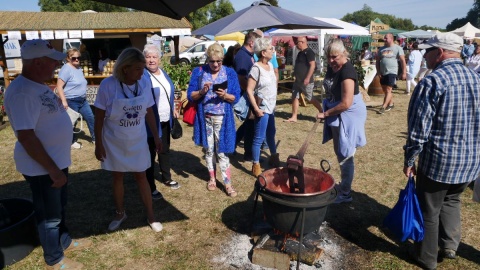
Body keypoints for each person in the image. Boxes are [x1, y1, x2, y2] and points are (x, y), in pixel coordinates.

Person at [4, 39, 92, 269]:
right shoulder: (22, 92)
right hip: (42, 166)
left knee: (58, 206)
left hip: (55, 161)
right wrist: (53, 170)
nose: (56, 66)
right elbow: (26, 137)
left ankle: (64, 241)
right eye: (52, 61)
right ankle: (54, 259)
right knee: (48, 216)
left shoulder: (38, 84)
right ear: (37, 62)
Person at [403, 33, 480, 270]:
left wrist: (410, 158)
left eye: (428, 51)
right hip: (470, 162)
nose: (424, 56)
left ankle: (427, 258)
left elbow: (418, 129)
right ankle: (450, 245)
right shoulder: (476, 79)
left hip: (439, 162)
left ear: (441, 52)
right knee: (453, 199)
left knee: (430, 209)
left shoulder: (432, 81)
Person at [94, 47, 163, 232]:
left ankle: (151, 215)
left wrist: (156, 136)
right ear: (125, 68)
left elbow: (149, 111)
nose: (142, 72)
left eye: (142, 68)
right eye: (138, 69)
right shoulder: (108, 85)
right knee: (117, 176)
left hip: (137, 139)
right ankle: (120, 212)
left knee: (141, 176)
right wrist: (98, 144)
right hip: (114, 140)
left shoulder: (144, 83)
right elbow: (99, 116)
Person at [317, 38, 367, 204]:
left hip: (348, 113)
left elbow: (346, 103)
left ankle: (345, 193)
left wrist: (326, 113)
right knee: (340, 151)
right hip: (337, 111)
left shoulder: (347, 72)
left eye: (335, 57)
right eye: (329, 57)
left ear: (344, 54)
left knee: (346, 154)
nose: (331, 61)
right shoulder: (333, 68)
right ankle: (344, 185)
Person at [187, 43, 241, 197]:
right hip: (205, 118)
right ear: (207, 60)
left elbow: (236, 96)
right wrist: (202, 91)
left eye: (219, 61)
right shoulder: (199, 72)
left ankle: (227, 183)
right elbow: (191, 95)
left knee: (222, 151)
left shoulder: (229, 73)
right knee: (209, 150)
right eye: (212, 61)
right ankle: (212, 178)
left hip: (223, 118)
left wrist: (225, 96)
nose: (215, 64)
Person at [143, 44, 181, 201]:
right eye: (148, 57)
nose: (152, 60)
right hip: (150, 121)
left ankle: (166, 177)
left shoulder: (163, 73)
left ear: (159, 59)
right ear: (144, 59)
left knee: (165, 150)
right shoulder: (143, 76)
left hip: (166, 118)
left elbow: (169, 92)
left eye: (154, 57)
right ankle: (150, 186)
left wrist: (173, 108)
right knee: (150, 154)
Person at [246, 38, 280, 177]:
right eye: (270, 49)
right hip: (263, 106)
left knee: (271, 133)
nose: (273, 51)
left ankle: (273, 157)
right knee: (259, 137)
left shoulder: (271, 66)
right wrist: (256, 109)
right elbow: (249, 90)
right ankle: (256, 164)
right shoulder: (256, 68)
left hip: (271, 106)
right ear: (263, 52)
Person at [56, 48, 96, 149]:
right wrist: (64, 101)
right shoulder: (66, 69)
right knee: (72, 122)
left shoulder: (78, 68)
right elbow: (59, 86)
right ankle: (71, 141)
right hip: (71, 100)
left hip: (82, 100)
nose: (77, 60)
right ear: (68, 58)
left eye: (78, 57)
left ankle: (96, 138)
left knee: (91, 118)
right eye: (74, 58)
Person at [234, 31, 262, 161]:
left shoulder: (248, 55)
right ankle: (248, 153)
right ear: (251, 43)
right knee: (250, 123)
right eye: (257, 43)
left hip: (248, 94)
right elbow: (240, 78)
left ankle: (233, 145)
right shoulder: (242, 56)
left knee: (249, 123)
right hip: (245, 94)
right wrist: (249, 93)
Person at [285, 36, 323, 122]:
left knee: (310, 98)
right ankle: (294, 116)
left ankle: (322, 111)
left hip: (306, 81)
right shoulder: (300, 53)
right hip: (298, 81)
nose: (296, 44)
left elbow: (312, 65)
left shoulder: (309, 52)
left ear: (302, 42)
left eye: (297, 42)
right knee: (295, 96)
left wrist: (307, 78)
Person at [375, 33, 406, 114]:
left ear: (391, 39)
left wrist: (404, 72)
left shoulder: (398, 48)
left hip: (392, 71)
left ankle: (383, 107)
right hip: (383, 72)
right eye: (384, 38)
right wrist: (378, 71)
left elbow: (403, 61)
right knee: (385, 90)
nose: (384, 39)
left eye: (386, 38)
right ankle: (391, 104)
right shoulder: (381, 49)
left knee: (389, 89)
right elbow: (377, 61)